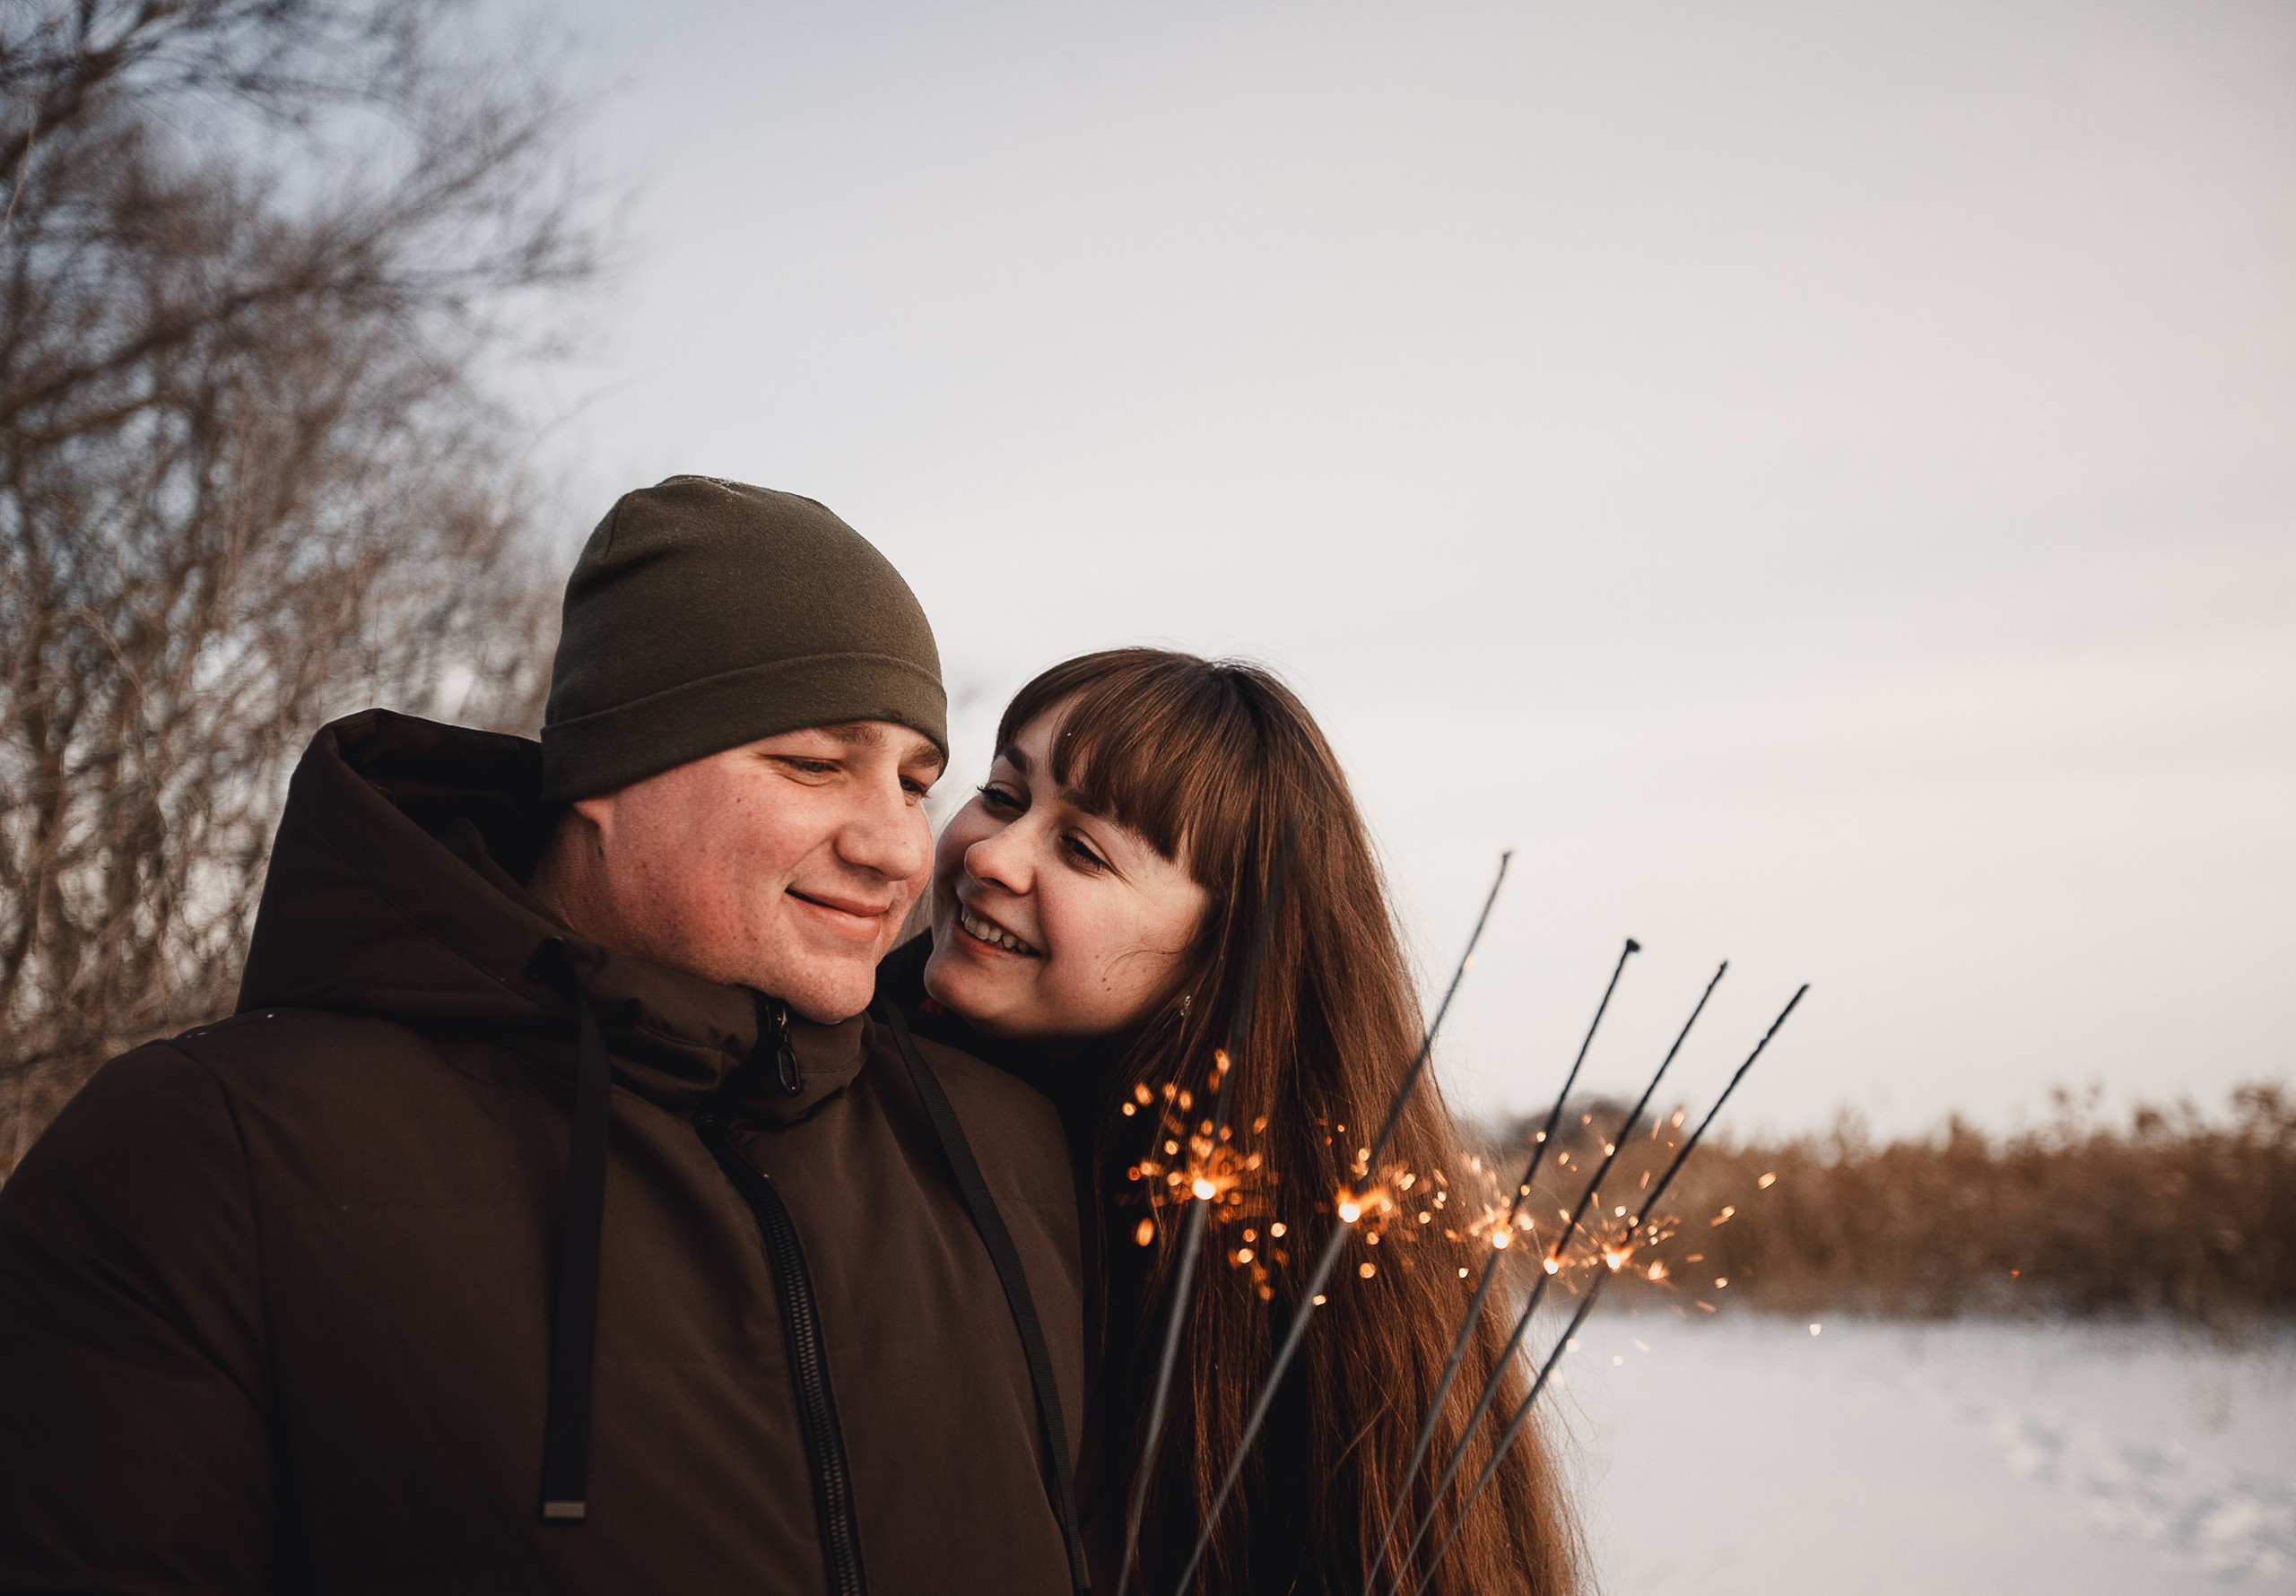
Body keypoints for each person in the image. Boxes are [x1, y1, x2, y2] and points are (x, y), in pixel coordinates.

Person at [0, 478, 1091, 1594]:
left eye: (916, 782)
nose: (900, 850)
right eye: (813, 763)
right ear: (608, 771)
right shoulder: (210, 1151)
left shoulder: (1005, 1143)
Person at [877, 647, 1582, 1596]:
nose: (992, 855)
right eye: (1004, 795)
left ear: (1223, 951)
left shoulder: (1301, 1277)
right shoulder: (832, 1082)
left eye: (1083, 849)